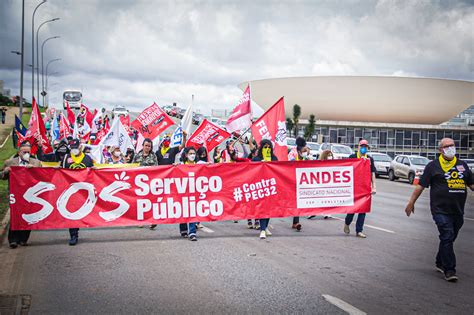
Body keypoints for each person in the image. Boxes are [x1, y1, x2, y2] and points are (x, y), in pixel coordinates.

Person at [405, 138, 473, 282]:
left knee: (449, 238)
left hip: (458, 210)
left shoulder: (462, 165)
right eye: (447, 146)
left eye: (452, 145)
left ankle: (440, 261)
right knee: (447, 235)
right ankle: (449, 270)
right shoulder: (433, 166)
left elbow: (471, 184)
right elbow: (420, 186)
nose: (451, 148)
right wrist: (411, 202)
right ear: (440, 150)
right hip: (440, 210)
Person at [1, 141, 42, 248]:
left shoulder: (36, 162)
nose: (26, 154)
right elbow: (2, 177)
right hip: (15, 194)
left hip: (30, 194)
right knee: (15, 216)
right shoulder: (10, 162)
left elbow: (42, 177)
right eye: (24, 152)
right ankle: (13, 240)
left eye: (28, 152)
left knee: (28, 217)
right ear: (19, 152)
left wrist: (34, 170)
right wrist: (5, 171)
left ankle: (23, 239)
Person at [61, 139, 94, 245]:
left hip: (85, 190)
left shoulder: (87, 159)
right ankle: (74, 235)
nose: (74, 150)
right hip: (71, 190)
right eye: (72, 148)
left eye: (76, 147)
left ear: (80, 147)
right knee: (72, 211)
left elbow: (92, 173)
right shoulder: (67, 158)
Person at [156, 134, 188, 236]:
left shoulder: (173, 150)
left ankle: (182, 228)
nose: (166, 142)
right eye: (165, 140)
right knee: (158, 201)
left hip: (171, 179)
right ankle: (153, 220)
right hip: (160, 180)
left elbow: (182, 146)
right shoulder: (157, 152)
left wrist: (184, 137)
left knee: (175, 200)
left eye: (168, 140)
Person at [344, 139, 376, 238]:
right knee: (352, 210)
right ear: (358, 147)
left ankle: (359, 230)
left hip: (365, 188)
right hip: (353, 188)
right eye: (362, 146)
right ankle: (347, 223)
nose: (363, 148)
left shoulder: (370, 159)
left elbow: (372, 173)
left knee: (363, 210)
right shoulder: (352, 157)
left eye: (365, 147)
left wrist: (374, 186)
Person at [252, 139, 278, 239]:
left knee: (269, 209)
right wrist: (259, 164)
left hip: (271, 187)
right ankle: (262, 229)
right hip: (260, 187)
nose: (267, 148)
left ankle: (265, 227)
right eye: (265, 147)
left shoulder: (274, 158)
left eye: (268, 147)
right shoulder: (256, 159)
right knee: (263, 208)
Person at [134, 138, 159, 229]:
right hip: (139, 183)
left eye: (149, 146)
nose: (147, 147)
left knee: (151, 202)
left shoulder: (153, 156)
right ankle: (141, 220)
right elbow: (132, 168)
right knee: (140, 202)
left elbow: (156, 168)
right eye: (146, 145)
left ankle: (152, 221)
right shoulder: (137, 155)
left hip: (150, 182)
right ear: (143, 145)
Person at [288, 137, 311, 231]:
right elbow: (288, 163)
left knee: (298, 201)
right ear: (299, 147)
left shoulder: (306, 154)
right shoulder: (292, 153)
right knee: (294, 201)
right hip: (292, 179)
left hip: (302, 180)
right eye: (304, 148)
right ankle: (295, 221)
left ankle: (295, 222)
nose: (305, 150)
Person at [308, 149, 334, 220]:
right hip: (320, 183)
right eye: (328, 155)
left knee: (328, 198)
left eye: (331, 155)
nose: (330, 157)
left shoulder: (334, 163)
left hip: (329, 183)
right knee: (317, 198)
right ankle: (312, 212)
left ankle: (327, 213)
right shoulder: (319, 163)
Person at [181, 147, 199, 241]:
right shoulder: (181, 165)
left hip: (194, 193)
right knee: (183, 211)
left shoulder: (199, 165)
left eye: (194, 153)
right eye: (190, 153)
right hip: (183, 192)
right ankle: (183, 229)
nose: (192, 155)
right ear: (186, 155)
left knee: (192, 211)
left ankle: (192, 232)